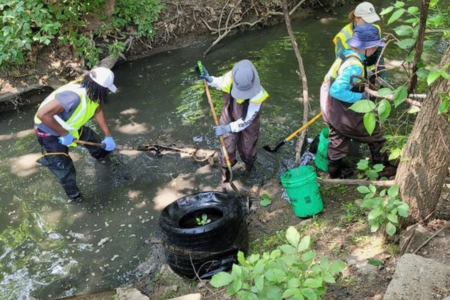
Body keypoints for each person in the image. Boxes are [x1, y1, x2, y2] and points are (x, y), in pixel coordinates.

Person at [320, 24, 396, 179]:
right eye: (375, 47)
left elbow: (330, 83)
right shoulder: (354, 66)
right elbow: (337, 90)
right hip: (344, 109)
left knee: (337, 139)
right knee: (376, 136)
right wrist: (361, 97)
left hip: (332, 109)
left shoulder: (345, 55)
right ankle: (384, 169)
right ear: (368, 47)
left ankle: (334, 173)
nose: (376, 50)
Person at [34, 67, 117, 201]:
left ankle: (103, 158)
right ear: (99, 88)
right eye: (106, 90)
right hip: (49, 132)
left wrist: (108, 136)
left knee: (94, 141)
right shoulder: (72, 97)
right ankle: (75, 198)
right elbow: (43, 114)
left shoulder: (91, 91)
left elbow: (97, 110)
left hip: (70, 126)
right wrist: (64, 134)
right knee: (64, 168)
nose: (107, 92)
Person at [196, 60, 269, 183]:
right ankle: (225, 176)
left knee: (248, 148)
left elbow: (246, 120)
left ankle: (249, 169)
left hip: (248, 122)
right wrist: (209, 79)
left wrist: (227, 128)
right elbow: (220, 83)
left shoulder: (258, 94)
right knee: (227, 147)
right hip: (229, 114)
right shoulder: (231, 76)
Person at [333, 2, 386, 80]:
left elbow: (380, 55)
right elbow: (340, 64)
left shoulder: (375, 29)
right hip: (352, 77)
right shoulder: (342, 36)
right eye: (366, 21)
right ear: (356, 18)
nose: (369, 24)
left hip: (371, 73)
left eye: (371, 21)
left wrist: (383, 77)